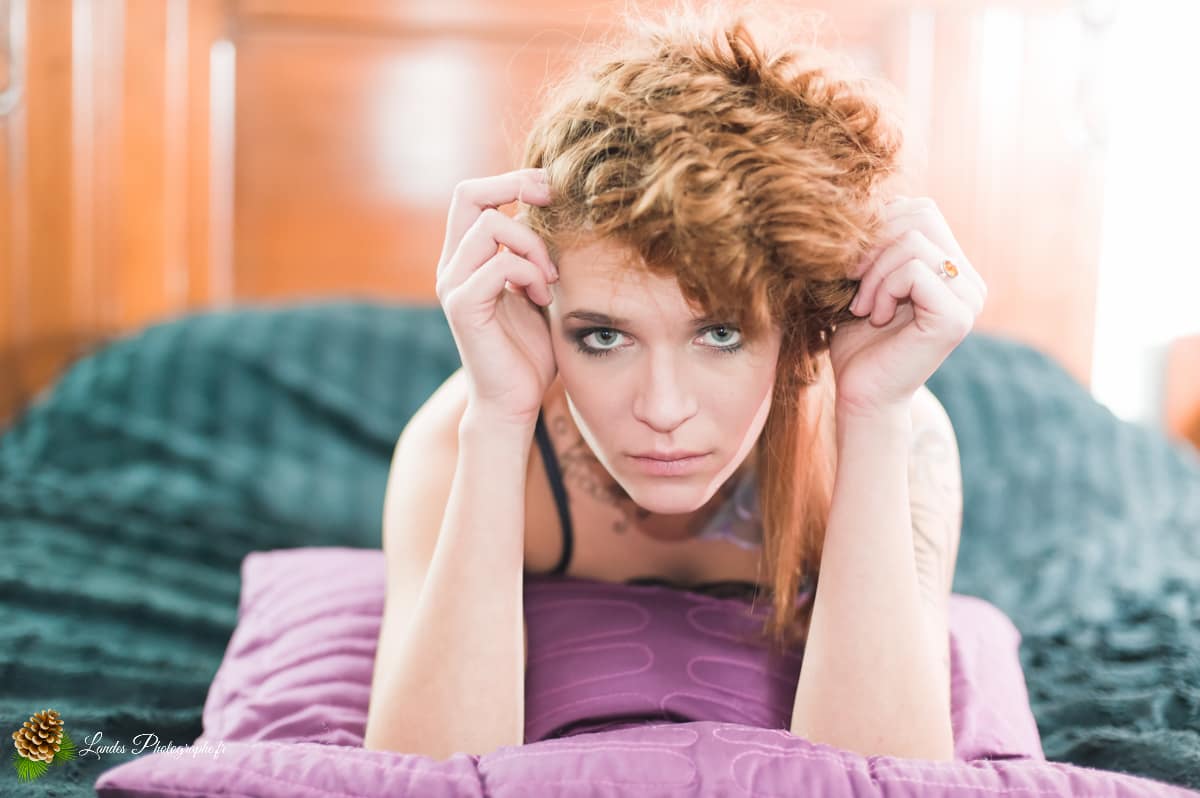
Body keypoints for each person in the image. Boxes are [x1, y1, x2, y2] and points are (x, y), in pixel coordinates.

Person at [364, 0, 985, 763]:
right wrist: (497, 420)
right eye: (603, 336)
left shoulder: (893, 432)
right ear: (541, 300)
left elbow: (883, 779)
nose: (661, 410)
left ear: (798, 325)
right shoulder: (463, 435)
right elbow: (418, 776)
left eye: (721, 333)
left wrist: (875, 413)